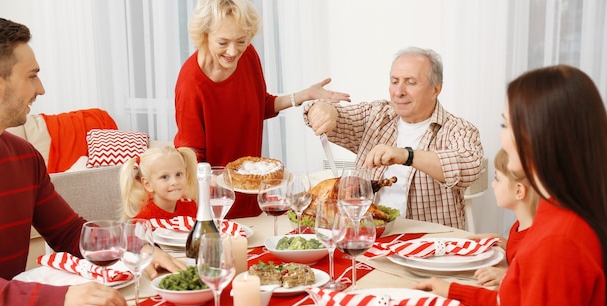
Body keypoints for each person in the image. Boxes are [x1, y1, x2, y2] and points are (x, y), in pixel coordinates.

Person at [363, 65, 607, 306]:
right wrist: (451, 289)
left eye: (506, 125)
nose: (502, 137)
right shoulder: (564, 219)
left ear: (538, 136)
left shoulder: (559, 244)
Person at [0, 18, 185, 306]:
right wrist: (58, 300)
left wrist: (136, 249)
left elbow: (69, 233)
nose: (40, 89)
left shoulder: (25, 157)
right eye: (31, 77)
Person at [173, 0, 350, 219]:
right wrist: (217, 184)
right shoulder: (191, 82)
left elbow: (260, 105)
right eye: (223, 42)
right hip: (215, 203)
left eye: (241, 40)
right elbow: (190, 155)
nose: (233, 51)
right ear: (204, 35)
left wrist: (304, 95)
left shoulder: (247, 56)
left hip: (251, 194)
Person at [304, 46, 482, 230]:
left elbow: (467, 167)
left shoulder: (459, 129)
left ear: (435, 89)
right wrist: (323, 110)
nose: (399, 92)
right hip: (369, 236)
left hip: (428, 243)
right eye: (394, 81)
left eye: (411, 82)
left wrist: (406, 155)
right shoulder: (376, 115)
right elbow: (331, 114)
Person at [471, 148, 539, 287]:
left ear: (518, 190)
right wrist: (504, 242)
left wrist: (508, 275)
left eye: (497, 178)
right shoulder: (520, 225)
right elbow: (520, 256)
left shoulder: (536, 240)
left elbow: (534, 278)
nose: (493, 184)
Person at [120, 145, 198, 221]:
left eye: (178, 174)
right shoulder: (143, 219)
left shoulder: (191, 206)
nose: (174, 182)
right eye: (164, 177)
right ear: (148, 184)